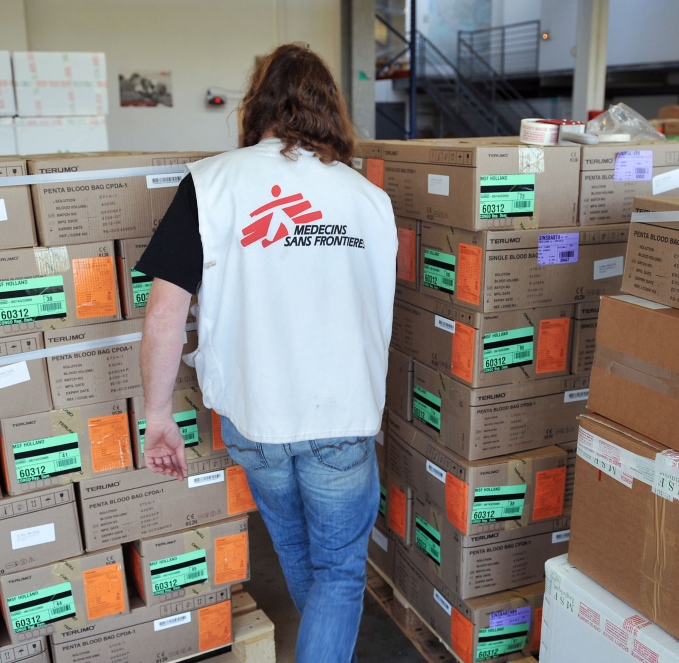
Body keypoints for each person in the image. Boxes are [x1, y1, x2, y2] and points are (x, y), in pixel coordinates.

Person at [136, 43, 396, 663]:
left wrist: (158, 414)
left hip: (255, 418)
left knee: (298, 553)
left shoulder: (211, 184)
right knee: (338, 572)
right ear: (330, 109)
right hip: (342, 415)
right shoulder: (367, 198)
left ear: (257, 105)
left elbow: (165, 312)